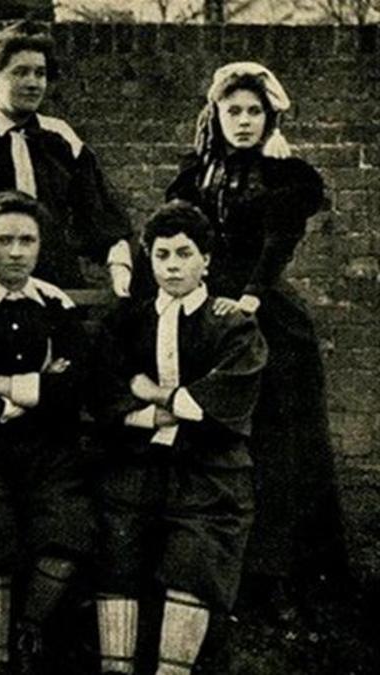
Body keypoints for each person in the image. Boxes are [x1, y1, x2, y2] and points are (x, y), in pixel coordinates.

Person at [164, 61, 348, 615]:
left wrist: (249, 298)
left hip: (265, 314)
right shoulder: (196, 173)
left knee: (280, 445)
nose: (242, 121)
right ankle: (212, 568)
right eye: (232, 110)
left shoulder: (289, 176)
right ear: (215, 114)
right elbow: (174, 235)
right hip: (206, 313)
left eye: (253, 112)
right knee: (214, 440)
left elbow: (277, 242)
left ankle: (281, 574)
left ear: (270, 117)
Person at [90, 201, 267, 675]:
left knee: (194, 563)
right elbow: (104, 393)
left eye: (184, 253)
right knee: (116, 559)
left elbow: (218, 407)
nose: (172, 266)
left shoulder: (233, 325)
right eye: (162, 255)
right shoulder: (126, 321)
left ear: (205, 259)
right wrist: (148, 417)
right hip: (137, 464)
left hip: (210, 472)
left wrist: (151, 390)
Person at [0, 191, 93, 675]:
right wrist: (35, 389)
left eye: (28, 240)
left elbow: (75, 387)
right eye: (4, 239)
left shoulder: (56, 306)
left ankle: (28, 629)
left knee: (68, 532)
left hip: (49, 453)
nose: (17, 251)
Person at [0, 20, 132, 294]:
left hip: (55, 282)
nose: (32, 83)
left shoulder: (61, 137)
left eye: (39, 74)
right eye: (20, 72)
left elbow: (99, 210)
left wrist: (119, 266)